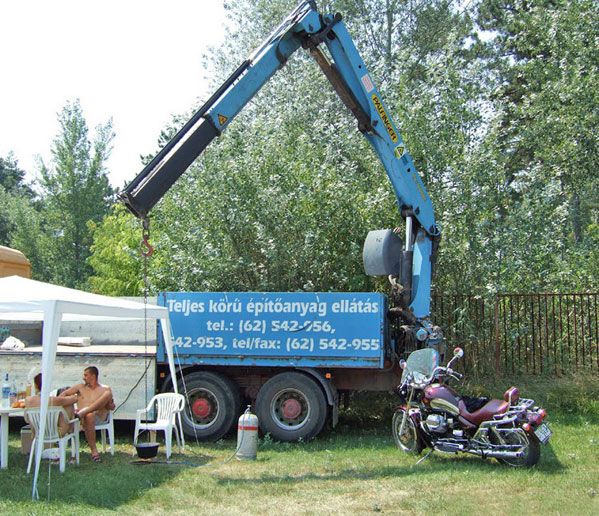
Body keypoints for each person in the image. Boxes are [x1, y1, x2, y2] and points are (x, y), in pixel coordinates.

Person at [61, 366, 114, 463]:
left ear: (93, 376)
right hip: (79, 419)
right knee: (89, 415)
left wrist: (109, 404)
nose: (83, 377)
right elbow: (63, 395)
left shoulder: (105, 389)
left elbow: (112, 407)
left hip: (98, 418)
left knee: (106, 395)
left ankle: (85, 412)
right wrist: (70, 401)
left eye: (86, 375)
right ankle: (94, 451)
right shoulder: (80, 387)